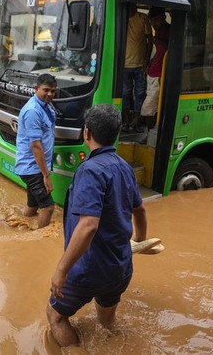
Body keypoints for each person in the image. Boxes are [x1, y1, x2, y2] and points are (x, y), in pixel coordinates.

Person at [46, 103, 149, 347]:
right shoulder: (125, 167)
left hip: (87, 271)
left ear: (87, 132)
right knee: (107, 322)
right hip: (120, 267)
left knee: (56, 317)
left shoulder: (90, 170)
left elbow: (88, 225)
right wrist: (139, 241)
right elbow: (140, 209)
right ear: (117, 133)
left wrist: (61, 270)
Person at [15, 73, 58, 229]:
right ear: (36, 88)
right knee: (48, 207)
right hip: (32, 168)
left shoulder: (45, 106)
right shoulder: (33, 111)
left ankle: (20, 226)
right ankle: (37, 241)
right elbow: (35, 146)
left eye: (53, 91)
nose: (49, 94)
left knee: (33, 205)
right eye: (46, 90)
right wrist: (46, 175)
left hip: (34, 166)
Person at [122, 3, 152, 132]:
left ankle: (137, 121)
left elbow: (150, 40)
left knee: (139, 94)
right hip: (124, 65)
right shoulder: (121, 18)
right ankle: (125, 121)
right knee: (125, 94)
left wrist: (147, 61)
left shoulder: (142, 18)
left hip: (140, 65)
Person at [141, 7, 170, 129]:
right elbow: (159, 53)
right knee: (153, 108)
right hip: (152, 73)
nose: (153, 24)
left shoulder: (170, 31)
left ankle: (150, 135)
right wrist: (149, 64)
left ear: (164, 18)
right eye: (152, 21)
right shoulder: (158, 31)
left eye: (156, 20)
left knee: (147, 109)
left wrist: (159, 41)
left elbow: (170, 50)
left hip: (160, 76)